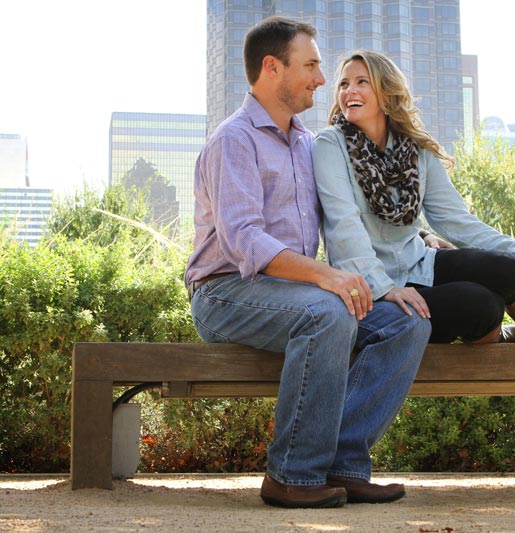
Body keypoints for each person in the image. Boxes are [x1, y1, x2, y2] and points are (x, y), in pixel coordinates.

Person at [185, 20, 431, 508]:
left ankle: (343, 465)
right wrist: (327, 275)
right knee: (329, 312)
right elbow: (245, 242)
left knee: (406, 321)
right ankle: (292, 475)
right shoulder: (233, 141)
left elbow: (351, 213)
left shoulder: (308, 144)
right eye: (312, 65)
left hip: (296, 294)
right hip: (226, 292)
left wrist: (420, 237)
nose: (322, 80)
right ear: (272, 68)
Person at [312, 50, 515, 344]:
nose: (348, 91)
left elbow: (456, 221)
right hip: (368, 285)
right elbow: (344, 225)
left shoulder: (418, 152)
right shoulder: (330, 145)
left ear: (386, 92)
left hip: (420, 263)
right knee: (482, 304)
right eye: (343, 84)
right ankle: (501, 336)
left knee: (514, 268)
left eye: (361, 82)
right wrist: (386, 288)